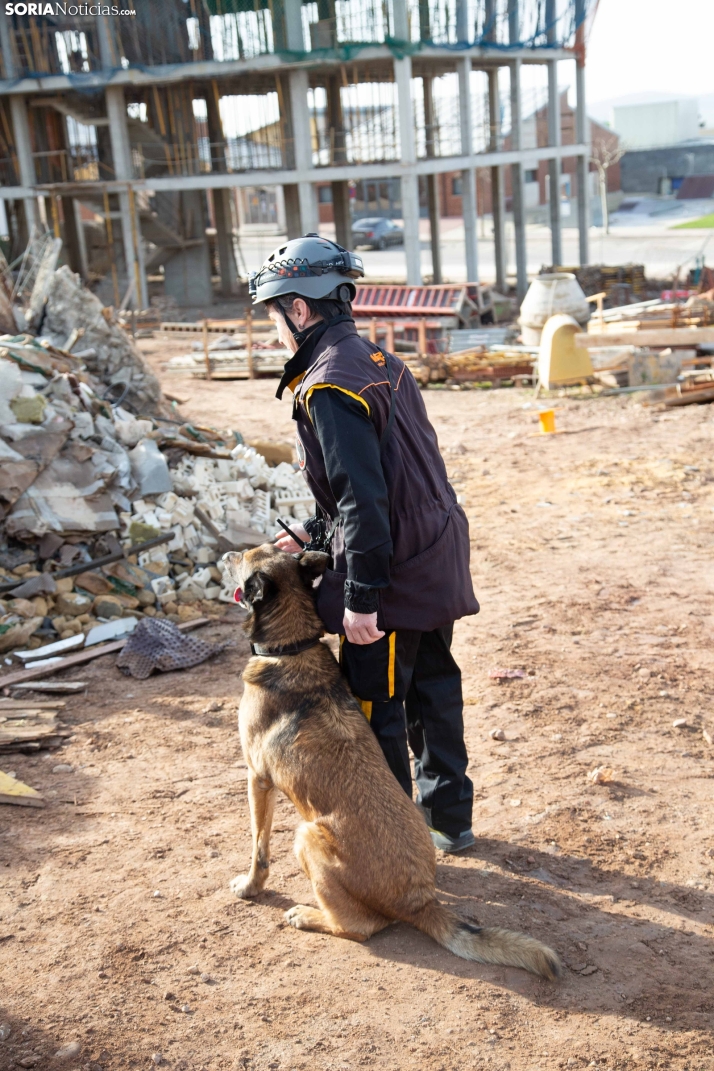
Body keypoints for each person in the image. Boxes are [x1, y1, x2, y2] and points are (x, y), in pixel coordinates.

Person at [249, 234, 480, 853]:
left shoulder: (327, 385)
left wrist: (362, 598)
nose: (276, 327)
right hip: (433, 550)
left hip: (395, 569)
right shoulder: (381, 363)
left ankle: (398, 839)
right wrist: (313, 531)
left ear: (300, 309)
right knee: (434, 686)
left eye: (276, 312)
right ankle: (448, 822)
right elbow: (388, 480)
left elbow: (364, 500)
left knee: (378, 706)